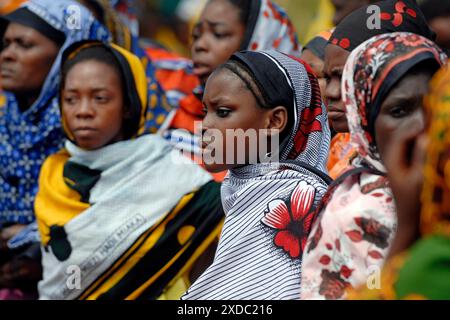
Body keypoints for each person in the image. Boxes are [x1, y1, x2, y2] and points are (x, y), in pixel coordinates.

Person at [35, 41, 224, 300]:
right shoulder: (53, 175)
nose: (83, 111)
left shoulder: (172, 175)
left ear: (128, 104)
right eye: (70, 99)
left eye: (100, 98)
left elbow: (210, 279)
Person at [300, 32, 447, 300]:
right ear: (364, 121)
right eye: (399, 111)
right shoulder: (361, 214)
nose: (420, 127)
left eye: (431, 108)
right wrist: (406, 228)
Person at [182, 50, 331, 300]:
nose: (205, 125)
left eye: (223, 111)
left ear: (274, 121)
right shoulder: (241, 188)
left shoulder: (299, 197)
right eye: (205, 110)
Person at [0, 0, 110, 299]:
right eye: (6, 43)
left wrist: (38, 242)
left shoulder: (90, 135)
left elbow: (109, 223)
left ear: (66, 56)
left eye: (24, 44)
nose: (7, 54)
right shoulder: (4, 124)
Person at [347, 63, 450, 300]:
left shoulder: (433, 265)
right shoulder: (346, 187)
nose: (418, 130)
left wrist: (406, 227)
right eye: (399, 111)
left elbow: (374, 289)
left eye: (429, 118)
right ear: (363, 115)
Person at [324, 0, 435, 179]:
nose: (331, 92)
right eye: (327, 78)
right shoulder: (339, 148)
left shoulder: (428, 163)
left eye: (346, 75)